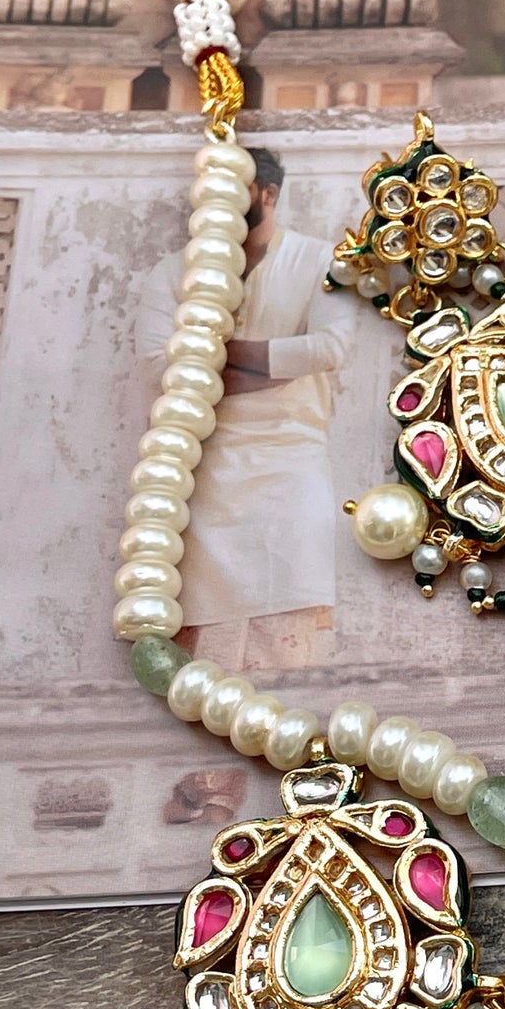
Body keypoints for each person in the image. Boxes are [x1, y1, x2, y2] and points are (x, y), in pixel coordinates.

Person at [136, 145, 357, 670]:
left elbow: (330, 348)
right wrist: (279, 363)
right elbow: (156, 366)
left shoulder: (320, 260)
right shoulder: (174, 272)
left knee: (289, 612)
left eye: (232, 189)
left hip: (292, 456)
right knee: (201, 623)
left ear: (268, 194)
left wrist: (211, 355)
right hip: (201, 465)